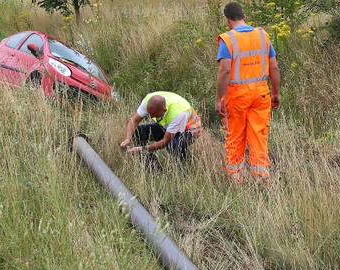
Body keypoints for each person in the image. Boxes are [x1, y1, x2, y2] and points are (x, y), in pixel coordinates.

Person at [215, 1, 281, 184]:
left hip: (237, 95)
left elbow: (225, 71)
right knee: (258, 134)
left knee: (235, 135)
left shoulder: (227, 39)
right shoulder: (263, 36)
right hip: (261, 93)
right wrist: (276, 93)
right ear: (244, 16)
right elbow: (274, 68)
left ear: (228, 20)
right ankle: (262, 176)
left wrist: (219, 98)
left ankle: (236, 178)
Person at [120, 91, 202, 168]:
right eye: (150, 114)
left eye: (155, 115)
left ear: (164, 110)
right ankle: (153, 166)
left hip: (190, 130)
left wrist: (142, 149)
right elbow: (134, 120)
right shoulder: (148, 100)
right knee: (137, 132)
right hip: (168, 125)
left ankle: (185, 167)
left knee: (173, 145)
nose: (151, 117)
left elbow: (165, 141)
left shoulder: (178, 113)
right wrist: (128, 138)